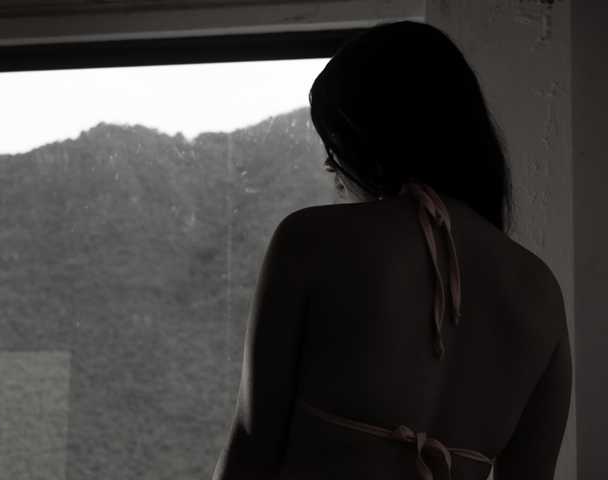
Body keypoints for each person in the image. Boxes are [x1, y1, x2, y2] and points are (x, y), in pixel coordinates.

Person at [212, 20, 572, 480]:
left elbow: (251, 447)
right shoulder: (540, 289)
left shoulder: (311, 241)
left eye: (333, 145)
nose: (330, 166)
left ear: (365, 137)